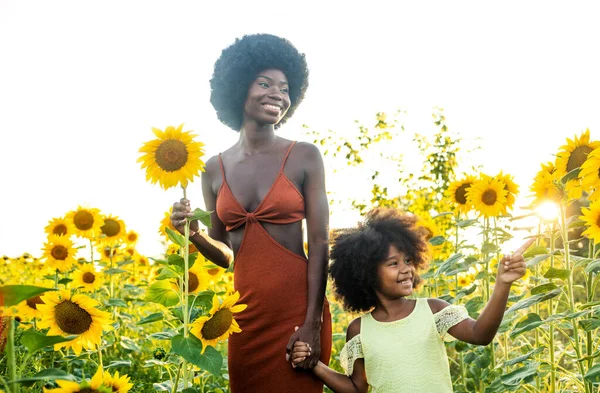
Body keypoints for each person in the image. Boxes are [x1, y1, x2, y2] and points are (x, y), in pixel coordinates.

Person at [170, 34, 331, 393]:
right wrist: (195, 235)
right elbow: (227, 254)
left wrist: (312, 323)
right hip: (243, 319)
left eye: (285, 88)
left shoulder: (305, 155)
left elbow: (319, 243)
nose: (277, 94)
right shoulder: (212, 169)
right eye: (264, 83)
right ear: (239, 87)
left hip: (297, 313)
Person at [290, 208, 534, 393]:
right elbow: (357, 388)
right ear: (366, 273)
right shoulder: (359, 330)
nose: (406, 269)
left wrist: (503, 283)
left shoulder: (433, 310)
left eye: (408, 260)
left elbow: (481, 334)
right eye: (393, 263)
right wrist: (314, 365)